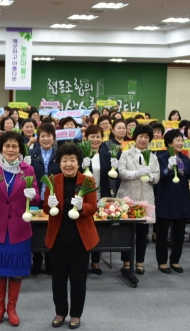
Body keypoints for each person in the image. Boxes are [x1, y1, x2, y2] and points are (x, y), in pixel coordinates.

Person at [0, 131, 39, 326]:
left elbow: (37, 197)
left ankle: (12, 308)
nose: (10, 150)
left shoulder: (27, 169)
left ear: (19, 149)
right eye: (7, 146)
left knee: (15, 271)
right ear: (1, 148)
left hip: (19, 227)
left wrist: (33, 194)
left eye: (14, 146)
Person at [44, 142, 99, 330]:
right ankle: (60, 312)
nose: (68, 164)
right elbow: (46, 208)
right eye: (64, 160)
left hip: (80, 239)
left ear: (78, 162)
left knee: (78, 279)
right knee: (58, 279)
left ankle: (76, 314)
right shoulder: (53, 180)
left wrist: (83, 207)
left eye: (72, 160)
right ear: (59, 163)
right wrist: (49, 203)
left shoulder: (87, 181)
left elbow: (93, 208)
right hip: (58, 238)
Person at [116, 124, 160, 276]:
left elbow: (157, 177)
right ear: (135, 138)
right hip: (128, 197)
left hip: (145, 198)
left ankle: (139, 262)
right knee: (127, 232)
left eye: (146, 137)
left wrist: (151, 176)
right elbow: (121, 173)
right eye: (141, 136)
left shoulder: (153, 157)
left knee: (142, 233)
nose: (143, 139)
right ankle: (126, 262)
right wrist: (137, 173)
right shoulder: (125, 154)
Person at [155, 129, 190, 274]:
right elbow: (160, 178)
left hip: (182, 201)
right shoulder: (161, 158)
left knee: (179, 235)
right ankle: (162, 261)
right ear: (169, 143)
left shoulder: (184, 158)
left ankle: (175, 260)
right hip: (165, 200)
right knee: (163, 235)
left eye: (182, 140)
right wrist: (169, 169)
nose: (181, 143)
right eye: (178, 140)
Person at [83, 124, 117, 275]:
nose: (95, 139)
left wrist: (114, 168)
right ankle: (82, 261)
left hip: (100, 197)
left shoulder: (105, 154)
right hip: (83, 197)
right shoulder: (80, 153)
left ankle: (95, 262)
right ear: (86, 138)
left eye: (98, 136)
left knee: (98, 231)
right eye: (92, 136)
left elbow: (111, 176)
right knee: (83, 229)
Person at [28, 123, 60, 275]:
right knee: (35, 230)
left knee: (52, 229)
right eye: (43, 136)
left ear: (54, 138)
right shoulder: (32, 154)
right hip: (36, 199)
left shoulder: (59, 154)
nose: (46, 139)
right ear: (38, 138)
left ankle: (50, 261)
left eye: (49, 136)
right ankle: (37, 259)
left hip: (54, 200)